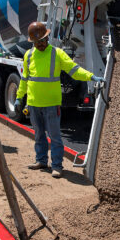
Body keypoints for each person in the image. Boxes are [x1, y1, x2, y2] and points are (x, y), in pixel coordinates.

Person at [15, 21, 103, 178]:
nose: (40, 44)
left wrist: (91, 76)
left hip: (51, 104)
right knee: (39, 135)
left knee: (55, 137)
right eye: (36, 42)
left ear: (47, 38)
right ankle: (41, 160)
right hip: (34, 104)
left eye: (42, 41)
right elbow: (24, 79)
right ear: (32, 42)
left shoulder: (57, 54)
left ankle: (57, 165)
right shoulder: (28, 55)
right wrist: (19, 98)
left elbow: (74, 70)